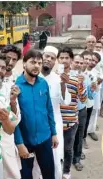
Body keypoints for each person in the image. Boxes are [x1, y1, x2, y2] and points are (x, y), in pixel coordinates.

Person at [14, 49, 58, 179]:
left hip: (45, 138)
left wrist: (54, 133)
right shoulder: (16, 86)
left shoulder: (43, 83)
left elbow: (49, 110)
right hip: (25, 141)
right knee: (26, 175)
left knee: (49, 173)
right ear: (24, 63)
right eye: (33, 62)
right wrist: (19, 143)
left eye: (39, 63)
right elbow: (13, 117)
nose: (36, 66)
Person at [33, 46, 71, 179]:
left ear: (55, 62)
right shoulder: (32, 77)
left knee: (54, 157)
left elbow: (65, 102)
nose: (48, 60)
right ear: (41, 57)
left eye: (52, 58)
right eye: (46, 56)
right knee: (36, 160)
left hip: (54, 124)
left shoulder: (58, 79)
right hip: (36, 124)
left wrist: (63, 85)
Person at [58, 47, 95, 178]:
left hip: (71, 120)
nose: (63, 60)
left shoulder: (78, 78)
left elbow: (84, 99)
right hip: (55, 120)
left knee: (68, 149)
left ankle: (66, 172)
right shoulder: (53, 76)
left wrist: (80, 84)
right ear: (58, 59)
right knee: (56, 149)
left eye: (66, 58)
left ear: (71, 60)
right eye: (61, 58)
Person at [0, 52, 22, 179]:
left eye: (3, 68)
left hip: (5, 141)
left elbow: (16, 119)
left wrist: (13, 102)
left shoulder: (9, 89)